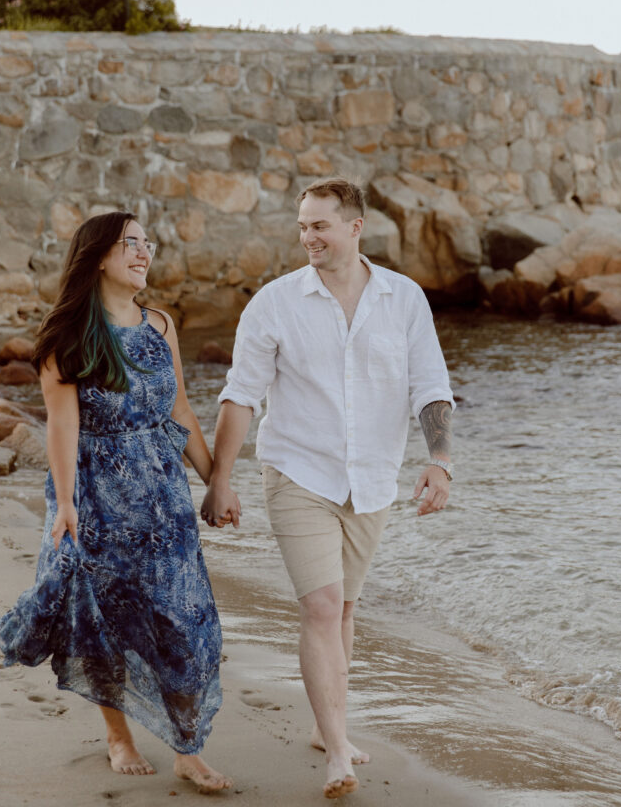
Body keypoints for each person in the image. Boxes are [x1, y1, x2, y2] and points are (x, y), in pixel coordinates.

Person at [200, 177, 454, 800]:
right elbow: (241, 394)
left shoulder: (403, 298)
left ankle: (323, 725)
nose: (308, 236)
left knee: (342, 608)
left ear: (354, 227)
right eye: (303, 226)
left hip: (371, 479)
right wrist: (220, 479)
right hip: (297, 473)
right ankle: (339, 752)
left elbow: (430, 384)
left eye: (320, 225)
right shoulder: (275, 303)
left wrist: (439, 459)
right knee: (319, 606)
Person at [0, 211, 231, 794]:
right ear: (99, 255)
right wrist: (68, 503)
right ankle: (119, 736)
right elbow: (62, 428)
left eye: (148, 243)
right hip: (97, 501)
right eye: (131, 244)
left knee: (185, 621)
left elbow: (179, 412)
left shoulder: (162, 326)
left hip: (163, 501)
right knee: (103, 623)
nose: (144, 252)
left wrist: (215, 482)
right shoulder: (68, 337)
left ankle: (186, 745)